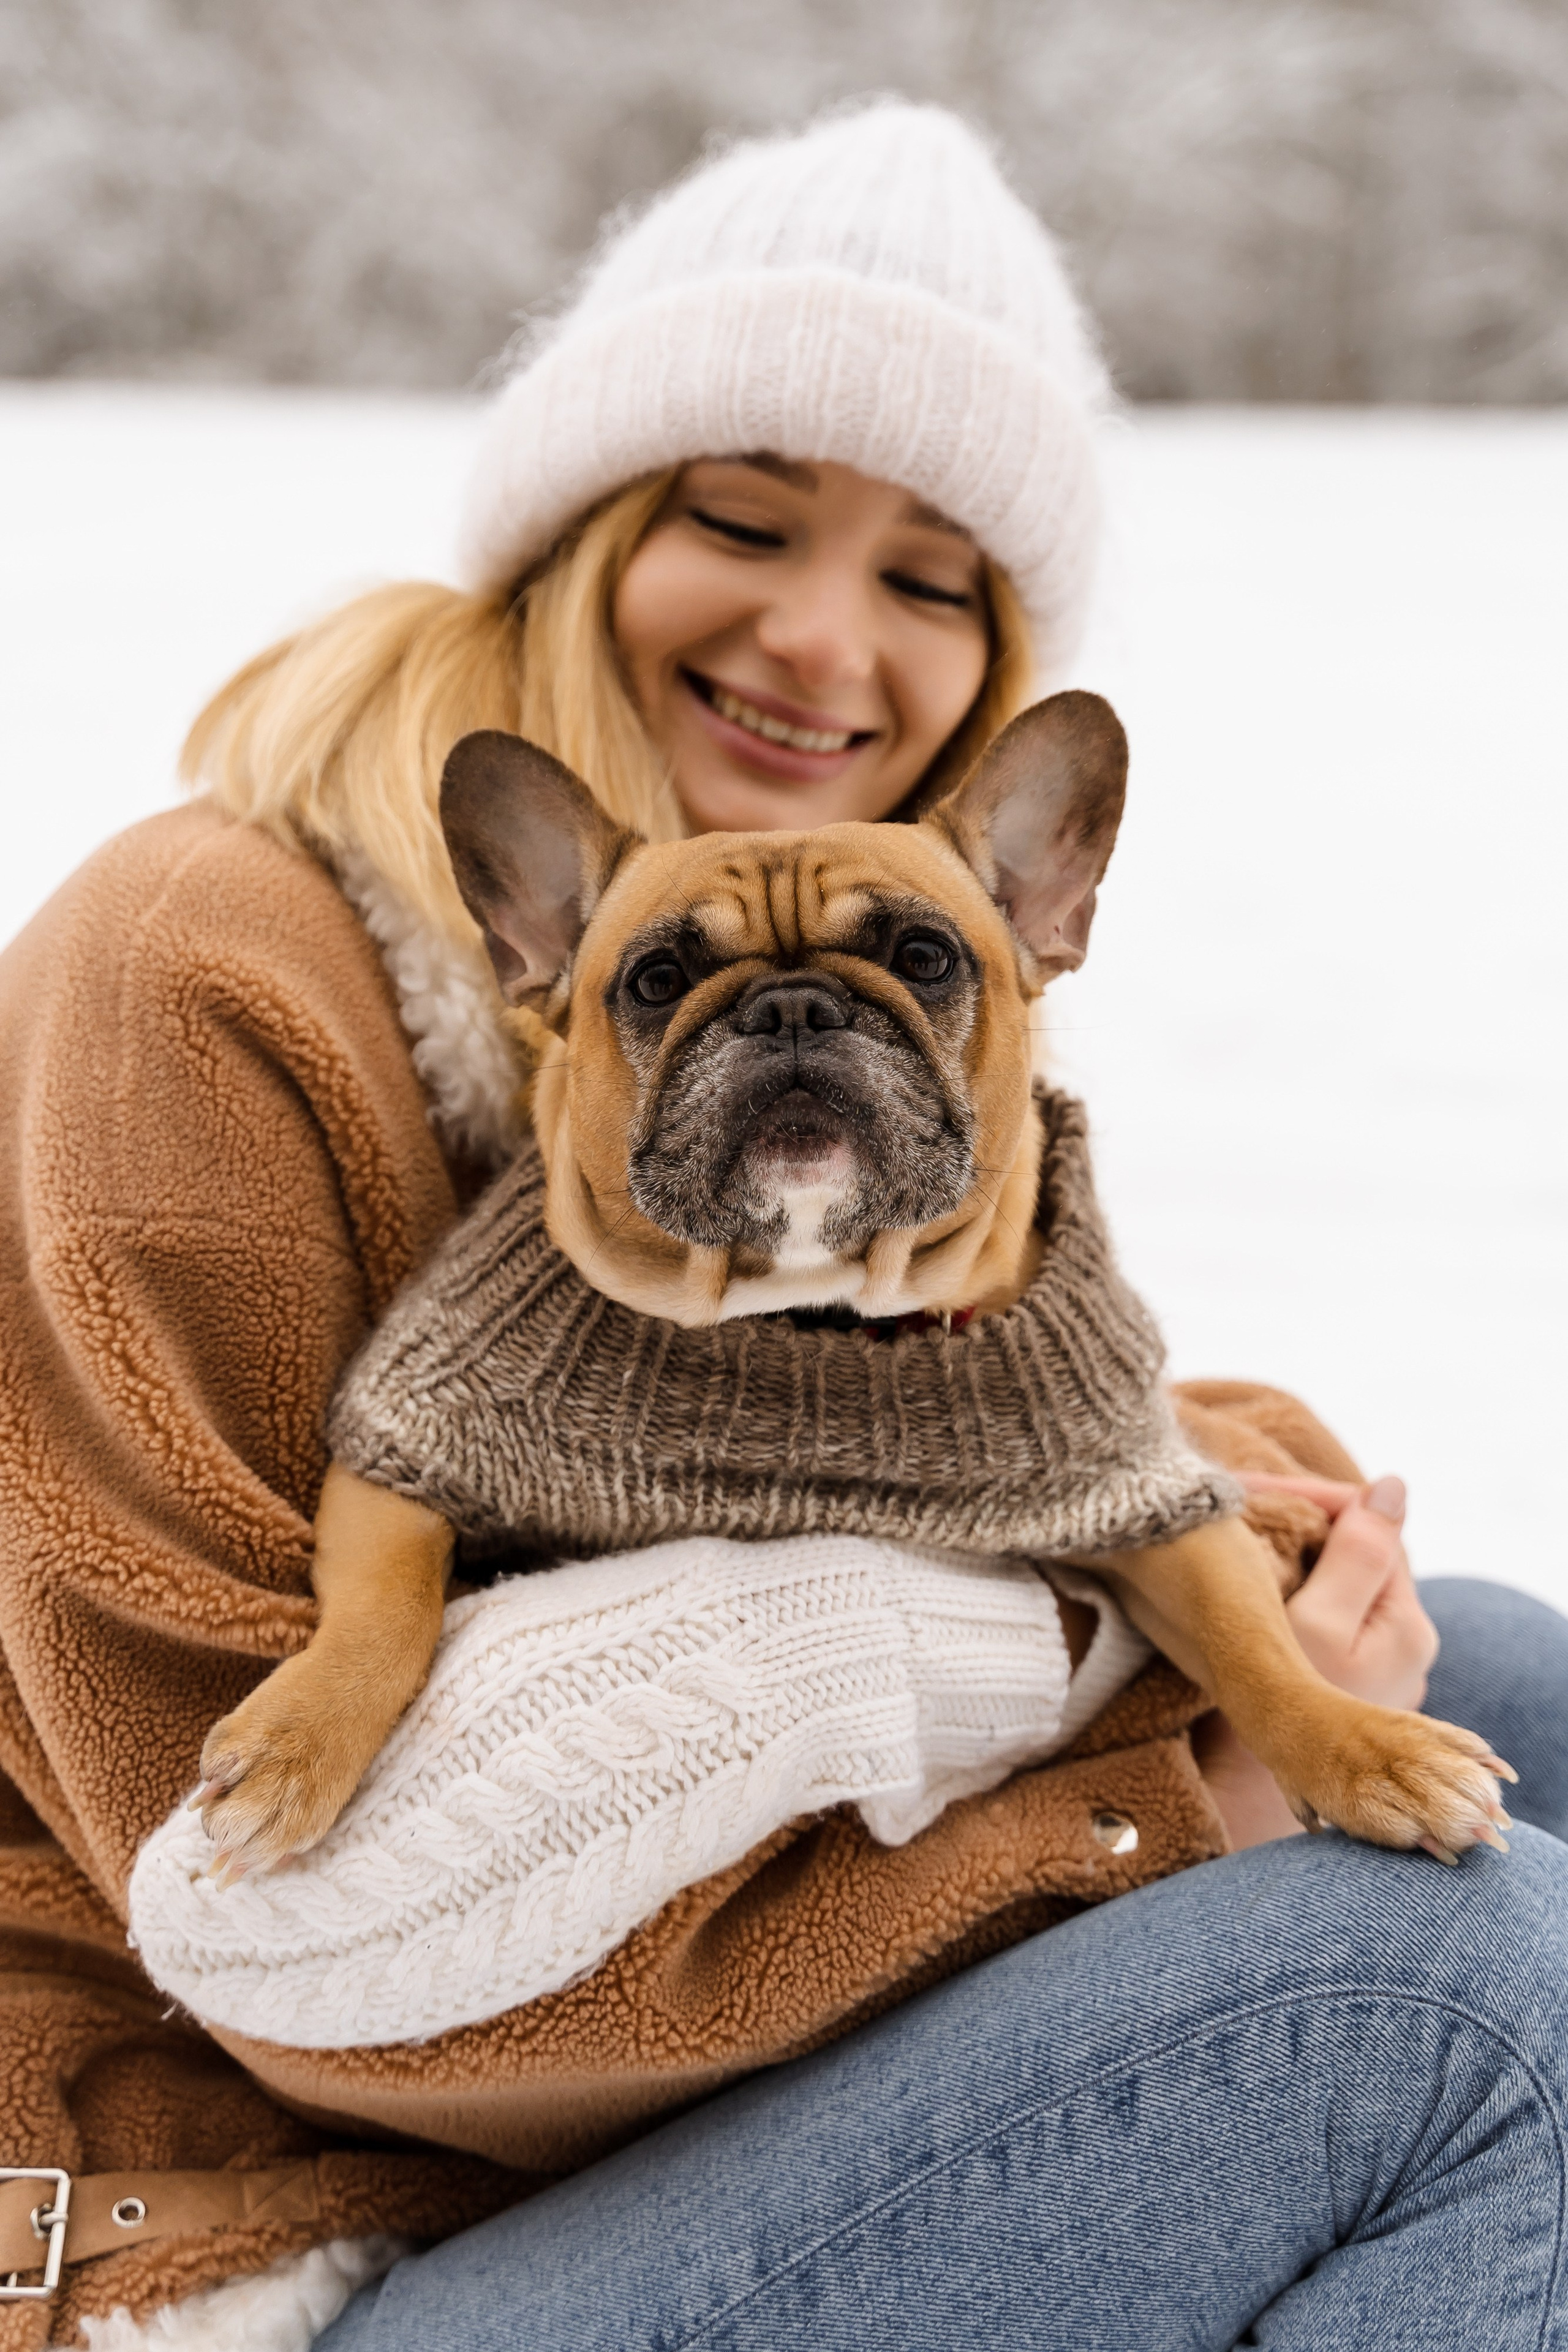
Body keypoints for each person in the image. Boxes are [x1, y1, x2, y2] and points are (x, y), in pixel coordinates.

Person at [0, 103, 1563, 2352]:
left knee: (1510, 1675)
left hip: (581, 2113)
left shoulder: (833, 982)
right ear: (569, 543)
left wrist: (1257, 1525)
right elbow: (292, 1951)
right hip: (250, 2214)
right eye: (741, 520)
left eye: (934, 580)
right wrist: (1148, 1810)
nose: (828, 640)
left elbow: (916, 1435)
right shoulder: (200, 984)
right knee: (1465, 1997)